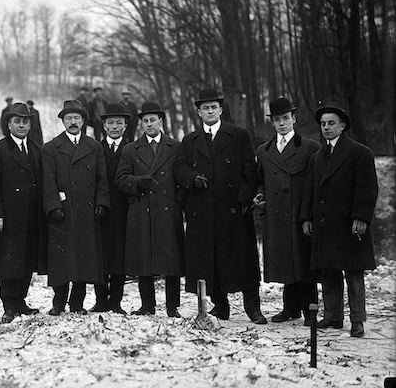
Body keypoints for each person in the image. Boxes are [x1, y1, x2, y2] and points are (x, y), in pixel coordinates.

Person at [175, 88, 267, 324]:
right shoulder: (190, 140)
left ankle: (253, 308)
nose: (209, 111)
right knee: (209, 260)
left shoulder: (238, 135)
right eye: (205, 108)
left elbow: (249, 170)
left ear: (221, 109)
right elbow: (180, 168)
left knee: (243, 260)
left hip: (233, 210)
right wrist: (192, 178)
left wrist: (244, 200)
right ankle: (220, 306)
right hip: (203, 210)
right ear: (198, 112)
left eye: (213, 107)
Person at [301, 102, 378, 338]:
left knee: (353, 273)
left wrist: (361, 218)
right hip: (325, 224)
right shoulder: (317, 157)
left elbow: (367, 189)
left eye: (331, 123)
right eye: (323, 124)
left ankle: (357, 320)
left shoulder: (360, 153)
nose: (326, 128)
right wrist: (306, 217)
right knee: (329, 272)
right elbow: (310, 191)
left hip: (349, 224)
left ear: (342, 126)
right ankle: (333, 316)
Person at [254, 97, 319, 326]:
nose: (281, 123)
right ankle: (290, 308)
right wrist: (260, 196)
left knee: (304, 262)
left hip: (300, 215)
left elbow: (316, 184)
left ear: (294, 118)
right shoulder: (264, 151)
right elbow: (260, 182)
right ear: (272, 123)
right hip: (276, 215)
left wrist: (309, 215)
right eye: (277, 120)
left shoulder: (310, 147)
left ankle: (310, 310)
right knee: (285, 262)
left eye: (285, 118)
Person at [116, 102, 184, 317]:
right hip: (142, 210)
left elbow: (182, 177)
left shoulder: (175, 147)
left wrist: (177, 203)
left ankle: (172, 307)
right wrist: (138, 182)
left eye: (152, 120)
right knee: (144, 259)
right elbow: (120, 179)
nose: (149, 124)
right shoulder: (130, 149)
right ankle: (148, 306)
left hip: (167, 211)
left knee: (171, 261)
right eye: (145, 121)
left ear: (161, 122)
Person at [42, 100, 109, 315]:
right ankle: (59, 301)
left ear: (83, 121)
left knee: (83, 258)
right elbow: (48, 180)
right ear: (62, 121)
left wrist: (101, 202)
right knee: (62, 260)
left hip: (86, 211)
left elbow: (101, 178)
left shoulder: (94, 146)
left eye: (77, 118)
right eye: (69, 118)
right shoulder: (51, 148)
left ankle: (77, 303)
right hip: (63, 211)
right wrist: (53, 206)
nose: (73, 122)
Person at [0, 102, 47, 323]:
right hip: (8, 218)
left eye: (25, 121)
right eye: (17, 121)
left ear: (31, 124)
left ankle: (20, 301)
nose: (21, 125)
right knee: (8, 260)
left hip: (31, 216)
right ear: (8, 124)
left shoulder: (37, 150)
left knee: (27, 259)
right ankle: (9, 305)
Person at [90, 104, 130, 314]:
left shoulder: (132, 149)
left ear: (125, 126)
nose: (115, 127)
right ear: (104, 126)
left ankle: (116, 301)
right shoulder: (95, 148)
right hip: (99, 210)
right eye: (111, 123)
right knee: (100, 256)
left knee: (118, 257)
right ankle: (100, 300)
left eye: (119, 123)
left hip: (124, 210)